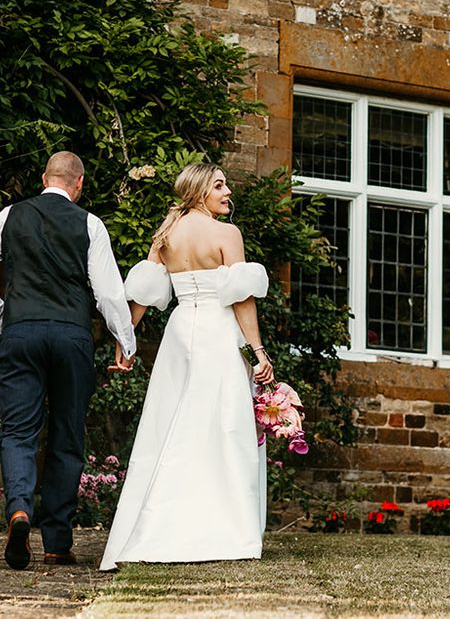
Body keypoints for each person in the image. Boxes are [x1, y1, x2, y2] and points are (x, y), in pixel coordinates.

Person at [99, 163, 273, 571]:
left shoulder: (167, 235)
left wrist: (127, 342)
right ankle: (225, 528)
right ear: (198, 192)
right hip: (217, 332)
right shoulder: (227, 234)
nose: (228, 191)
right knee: (223, 427)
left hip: (180, 333)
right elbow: (241, 298)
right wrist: (258, 350)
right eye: (219, 185)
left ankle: (158, 526)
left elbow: (142, 295)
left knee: (169, 424)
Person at [0, 151, 136, 570]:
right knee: (67, 434)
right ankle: (57, 541)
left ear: (45, 178)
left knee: (17, 431)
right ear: (79, 184)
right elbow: (109, 292)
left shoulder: (7, 216)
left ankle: (19, 509)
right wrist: (124, 340)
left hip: (20, 331)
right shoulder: (89, 224)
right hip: (71, 335)